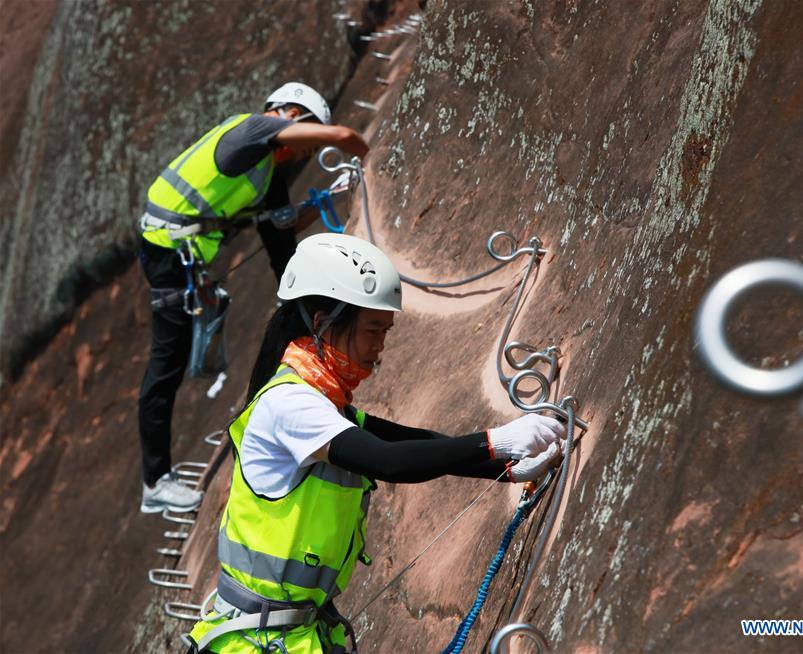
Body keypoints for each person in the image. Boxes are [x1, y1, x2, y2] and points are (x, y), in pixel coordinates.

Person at [182, 233, 565, 653]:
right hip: (258, 642)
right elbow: (389, 461)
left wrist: (504, 467)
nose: (379, 349)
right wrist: (496, 441)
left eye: (386, 332)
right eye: (372, 330)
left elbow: (412, 441)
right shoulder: (290, 406)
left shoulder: (325, 404)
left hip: (290, 636)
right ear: (322, 322)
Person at [138, 83, 369, 514]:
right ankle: (155, 482)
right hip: (165, 252)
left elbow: (282, 247)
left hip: (182, 258)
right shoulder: (247, 133)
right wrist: (352, 143)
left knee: (280, 305)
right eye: (304, 137)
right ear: (291, 115)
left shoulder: (265, 176)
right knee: (166, 366)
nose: (301, 156)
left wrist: (316, 213)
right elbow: (336, 138)